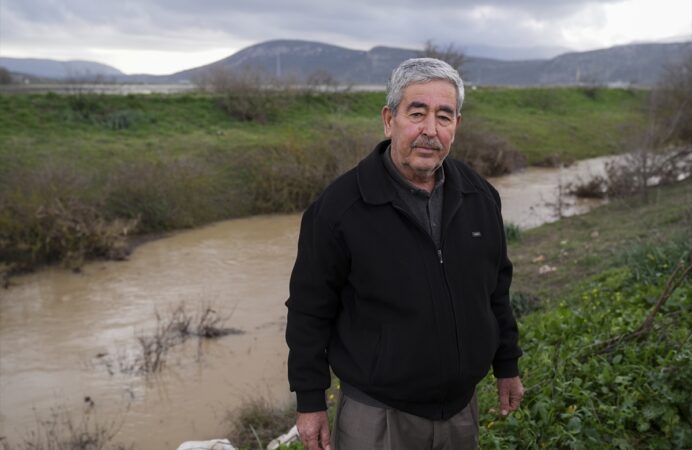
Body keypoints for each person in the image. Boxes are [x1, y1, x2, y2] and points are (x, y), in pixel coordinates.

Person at [285, 58, 523, 450]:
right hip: (376, 414)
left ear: (456, 125)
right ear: (389, 119)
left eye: (443, 116)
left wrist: (507, 364)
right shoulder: (339, 209)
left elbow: (496, 288)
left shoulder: (479, 196)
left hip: (460, 410)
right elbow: (309, 311)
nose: (430, 129)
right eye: (417, 113)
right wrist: (310, 400)